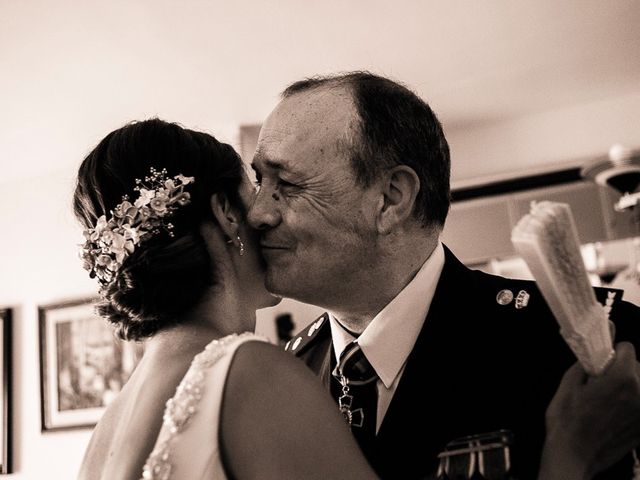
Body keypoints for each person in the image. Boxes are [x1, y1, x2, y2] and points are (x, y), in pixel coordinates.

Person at [247, 71, 640, 479]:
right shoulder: (292, 372)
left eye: (287, 183)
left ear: (390, 199)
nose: (257, 213)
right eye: (260, 181)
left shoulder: (588, 339)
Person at [74, 119, 376, 479]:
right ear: (227, 213)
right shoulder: (249, 370)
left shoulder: (108, 427)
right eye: (254, 191)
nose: (267, 215)